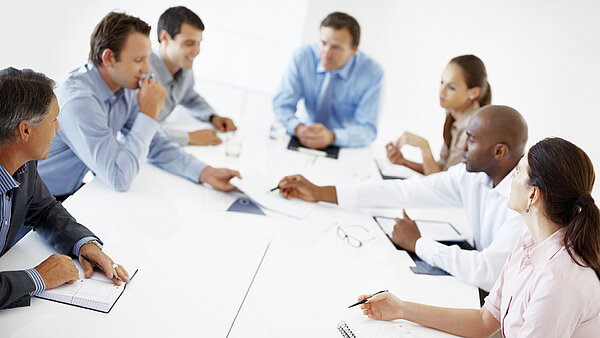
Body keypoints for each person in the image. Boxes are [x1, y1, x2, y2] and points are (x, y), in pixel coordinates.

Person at [357, 138, 600, 337]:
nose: (511, 179)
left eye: (517, 171)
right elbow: (485, 322)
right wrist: (400, 308)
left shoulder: (559, 280)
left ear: (533, 195)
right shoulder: (528, 240)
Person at [278, 105, 528, 291]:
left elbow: (487, 272)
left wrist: (418, 243)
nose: (462, 148)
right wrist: (322, 192)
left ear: (499, 151)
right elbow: (406, 190)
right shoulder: (473, 175)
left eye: (471, 141)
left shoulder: (525, 205)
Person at [37, 12, 239, 200]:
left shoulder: (124, 88)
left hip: (70, 194)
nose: (146, 69)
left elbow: (156, 144)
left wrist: (206, 173)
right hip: (33, 206)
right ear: (108, 58)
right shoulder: (80, 101)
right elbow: (119, 178)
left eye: (147, 58)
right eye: (138, 60)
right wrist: (149, 114)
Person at [0, 68, 130, 310]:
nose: (58, 128)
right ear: (25, 130)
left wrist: (83, 244)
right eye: (53, 120)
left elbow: (44, 210)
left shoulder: (24, 163)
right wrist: (37, 277)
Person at [273, 12, 384, 149]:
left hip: (343, 144)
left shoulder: (372, 73)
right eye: (323, 43)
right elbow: (282, 105)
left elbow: (368, 129)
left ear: (354, 50)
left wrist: (331, 136)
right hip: (303, 135)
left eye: (336, 47)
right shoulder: (302, 57)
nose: (326, 53)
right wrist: (298, 128)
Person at [387, 55, 491, 175]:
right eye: (442, 82)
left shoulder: (472, 127)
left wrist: (423, 146)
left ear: (473, 93)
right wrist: (403, 162)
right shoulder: (454, 116)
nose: (441, 91)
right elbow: (442, 169)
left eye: (451, 87)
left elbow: (444, 183)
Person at [150, 6, 237, 147]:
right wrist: (189, 137)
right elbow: (137, 129)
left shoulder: (183, 65)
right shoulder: (143, 70)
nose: (197, 51)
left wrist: (212, 116)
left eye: (199, 43)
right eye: (189, 43)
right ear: (164, 37)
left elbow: (189, 97)